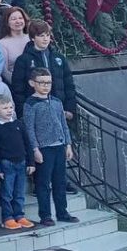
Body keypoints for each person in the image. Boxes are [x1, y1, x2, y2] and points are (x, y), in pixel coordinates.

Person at [24, 67, 79, 226]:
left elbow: (63, 124)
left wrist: (68, 144)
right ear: (32, 83)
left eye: (48, 82)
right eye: (41, 83)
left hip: (59, 146)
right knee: (43, 183)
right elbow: (29, 129)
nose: (45, 86)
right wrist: (35, 149)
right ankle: (45, 215)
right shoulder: (30, 104)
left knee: (60, 181)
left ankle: (62, 212)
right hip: (44, 148)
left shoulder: (56, 101)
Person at [11, 19, 76, 121]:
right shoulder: (23, 60)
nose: (45, 39)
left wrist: (70, 110)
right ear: (33, 38)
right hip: (35, 111)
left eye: (47, 35)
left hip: (59, 110)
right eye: (41, 36)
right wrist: (24, 113)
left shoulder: (59, 58)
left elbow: (69, 85)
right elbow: (18, 89)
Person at [0, 94, 36, 230]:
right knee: (7, 193)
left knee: (19, 193)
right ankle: (7, 218)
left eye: (10, 107)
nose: (9, 110)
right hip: (6, 164)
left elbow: (27, 144)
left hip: (21, 162)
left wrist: (31, 162)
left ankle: (19, 215)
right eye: (4, 108)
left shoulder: (19, 124)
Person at [0, 8, 31, 82]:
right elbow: (4, 71)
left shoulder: (31, 38)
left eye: (20, 18)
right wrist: (17, 83)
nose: (18, 21)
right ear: (7, 23)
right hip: (15, 82)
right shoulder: (3, 43)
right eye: (13, 19)